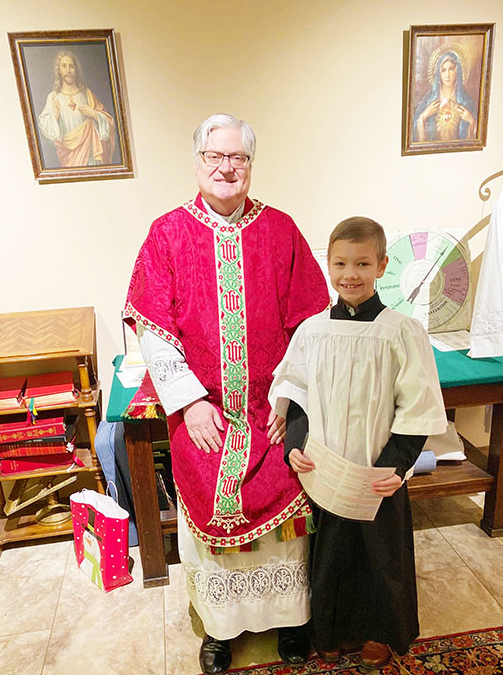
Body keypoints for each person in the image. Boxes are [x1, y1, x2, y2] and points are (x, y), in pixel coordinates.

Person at [123, 113, 329, 674]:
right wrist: (188, 404)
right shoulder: (167, 233)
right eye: (215, 156)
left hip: (272, 408)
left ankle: (290, 619)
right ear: (198, 163)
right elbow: (153, 329)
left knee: (289, 489)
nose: (226, 167)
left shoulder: (281, 229)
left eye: (237, 157)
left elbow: (311, 323)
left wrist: (292, 398)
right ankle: (221, 629)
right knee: (207, 490)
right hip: (204, 410)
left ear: (250, 166)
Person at [269, 217, 447, 668]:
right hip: (326, 466)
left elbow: (418, 404)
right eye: (341, 263)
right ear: (327, 265)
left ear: (382, 265)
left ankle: (380, 631)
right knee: (332, 554)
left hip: (377, 469)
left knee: (379, 556)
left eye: (363, 263)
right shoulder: (312, 331)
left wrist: (396, 463)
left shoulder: (401, 332)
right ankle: (330, 630)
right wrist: (296, 443)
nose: (351, 274)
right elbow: (298, 393)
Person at [38, 50, 115, 167]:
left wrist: (94, 114)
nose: (68, 70)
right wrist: (55, 116)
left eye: (71, 66)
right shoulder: (53, 97)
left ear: (76, 70)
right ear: (59, 70)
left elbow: (109, 122)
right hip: (69, 157)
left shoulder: (87, 94)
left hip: (90, 155)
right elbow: (48, 130)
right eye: (64, 66)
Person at [413, 49, 477, 142]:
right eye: (443, 70)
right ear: (439, 73)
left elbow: (476, 137)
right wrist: (425, 115)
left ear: (457, 71)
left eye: (451, 69)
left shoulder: (465, 101)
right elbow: (413, 127)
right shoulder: (430, 99)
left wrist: (471, 120)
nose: (447, 75)